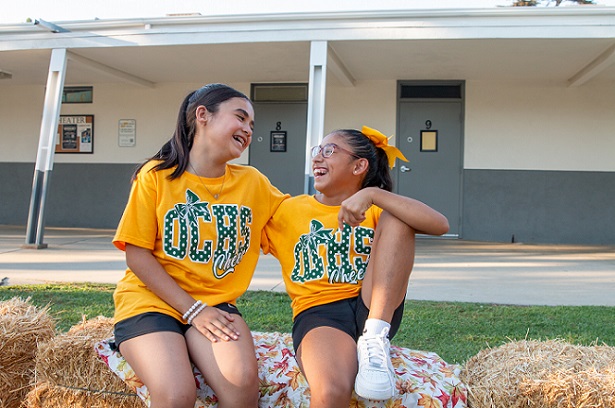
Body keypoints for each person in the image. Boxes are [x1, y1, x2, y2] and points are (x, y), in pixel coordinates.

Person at [111, 83, 287, 408]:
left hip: (216, 305)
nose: (248, 129)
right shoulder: (156, 176)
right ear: (202, 115)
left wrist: (364, 197)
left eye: (252, 125)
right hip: (151, 302)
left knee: (242, 388)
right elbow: (137, 254)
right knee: (177, 394)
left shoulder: (253, 183)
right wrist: (194, 311)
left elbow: (297, 223)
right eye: (240, 117)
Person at [263, 126, 449, 406]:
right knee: (331, 389)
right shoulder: (289, 210)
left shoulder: (375, 210)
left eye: (329, 151)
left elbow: (440, 225)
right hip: (320, 314)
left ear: (359, 165)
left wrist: (374, 195)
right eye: (317, 151)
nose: (317, 158)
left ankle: (375, 341)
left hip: (375, 307)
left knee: (398, 217)